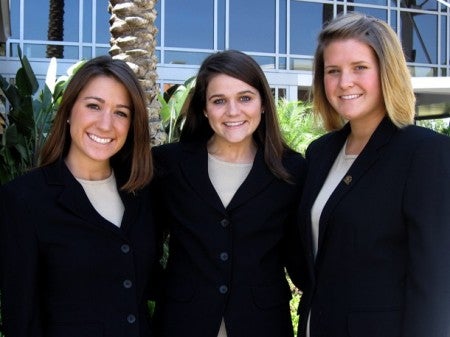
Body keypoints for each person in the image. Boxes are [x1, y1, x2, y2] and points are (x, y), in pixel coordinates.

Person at [296, 12, 450, 337]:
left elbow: (435, 282)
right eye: (332, 71)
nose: (344, 82)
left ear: (387, 71)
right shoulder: (320, 153)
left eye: (359, 68)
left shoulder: (424, 153)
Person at [0, 55, 160, 337]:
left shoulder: (142, 193)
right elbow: (21, 316)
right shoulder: (24, 199)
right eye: (94, 106)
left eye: (121, 112)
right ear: (70, 110)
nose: (106, 124)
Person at [152, 49, 307, 337]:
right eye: (219, 101)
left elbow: (300, 256)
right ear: (204, 108)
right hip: (182, 322)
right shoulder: (168, 165)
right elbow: (141, 242)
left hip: (263, 324)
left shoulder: (292, 169)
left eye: (245, 98)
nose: (233, 111)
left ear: (262, 104)